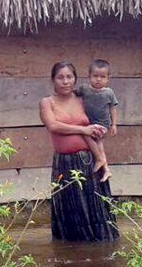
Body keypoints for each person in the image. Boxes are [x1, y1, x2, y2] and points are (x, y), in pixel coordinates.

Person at [38, 61, 118, 241]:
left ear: (75, 80)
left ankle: (101, 249)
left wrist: (103, 160)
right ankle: (70, 249)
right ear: (53, 80)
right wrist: (83, 130)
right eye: (60, 77)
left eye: (69, 77)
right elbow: (53, 126)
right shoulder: (47, 102)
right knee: (70, 209)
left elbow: (97, 126)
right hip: (64, 164)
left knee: (95, 207)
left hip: (88, 162)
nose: (65, 81)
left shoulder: (83, 98)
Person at [76, 59, 119, 182]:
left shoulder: (109, 93)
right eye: (95, 76)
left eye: (102, 77)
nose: (98, 79)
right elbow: (74, 95)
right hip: (89, 123)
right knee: (99, 145)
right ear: (89, 76)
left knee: (87, 135)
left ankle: (100, 160)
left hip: (102, 125)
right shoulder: (85, 89)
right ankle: (106, 170)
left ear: (108, 79)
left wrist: (114, 124)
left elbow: (113, 108)